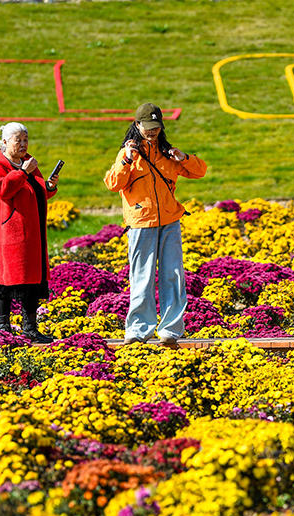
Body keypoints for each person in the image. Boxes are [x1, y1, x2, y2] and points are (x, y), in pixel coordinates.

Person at [104, 103, 207, 346]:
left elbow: (200, 171)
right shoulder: (127, 154)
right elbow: (112, 183)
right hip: (140, 223)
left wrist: (184, 158)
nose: (152, 132)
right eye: (147, 127)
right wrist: (127, 160)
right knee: (142, 277)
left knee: (173, 275)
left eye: (156, 127)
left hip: (170, 221)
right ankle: (139, 329)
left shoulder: (167, 153)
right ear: (137, 125)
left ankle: (171, 329)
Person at [0, 121, 58, 343]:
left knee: (32, 281)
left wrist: (49, 186)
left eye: (26, 139)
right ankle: (3, 327)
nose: (24, 144)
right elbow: (2, 190)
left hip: (33, 233)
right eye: (19, 140)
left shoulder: (28, 163)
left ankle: (30, 328)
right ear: (5, 142)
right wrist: (22, 173)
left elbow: (37, 193)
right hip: (11, 232)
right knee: (7, 279)